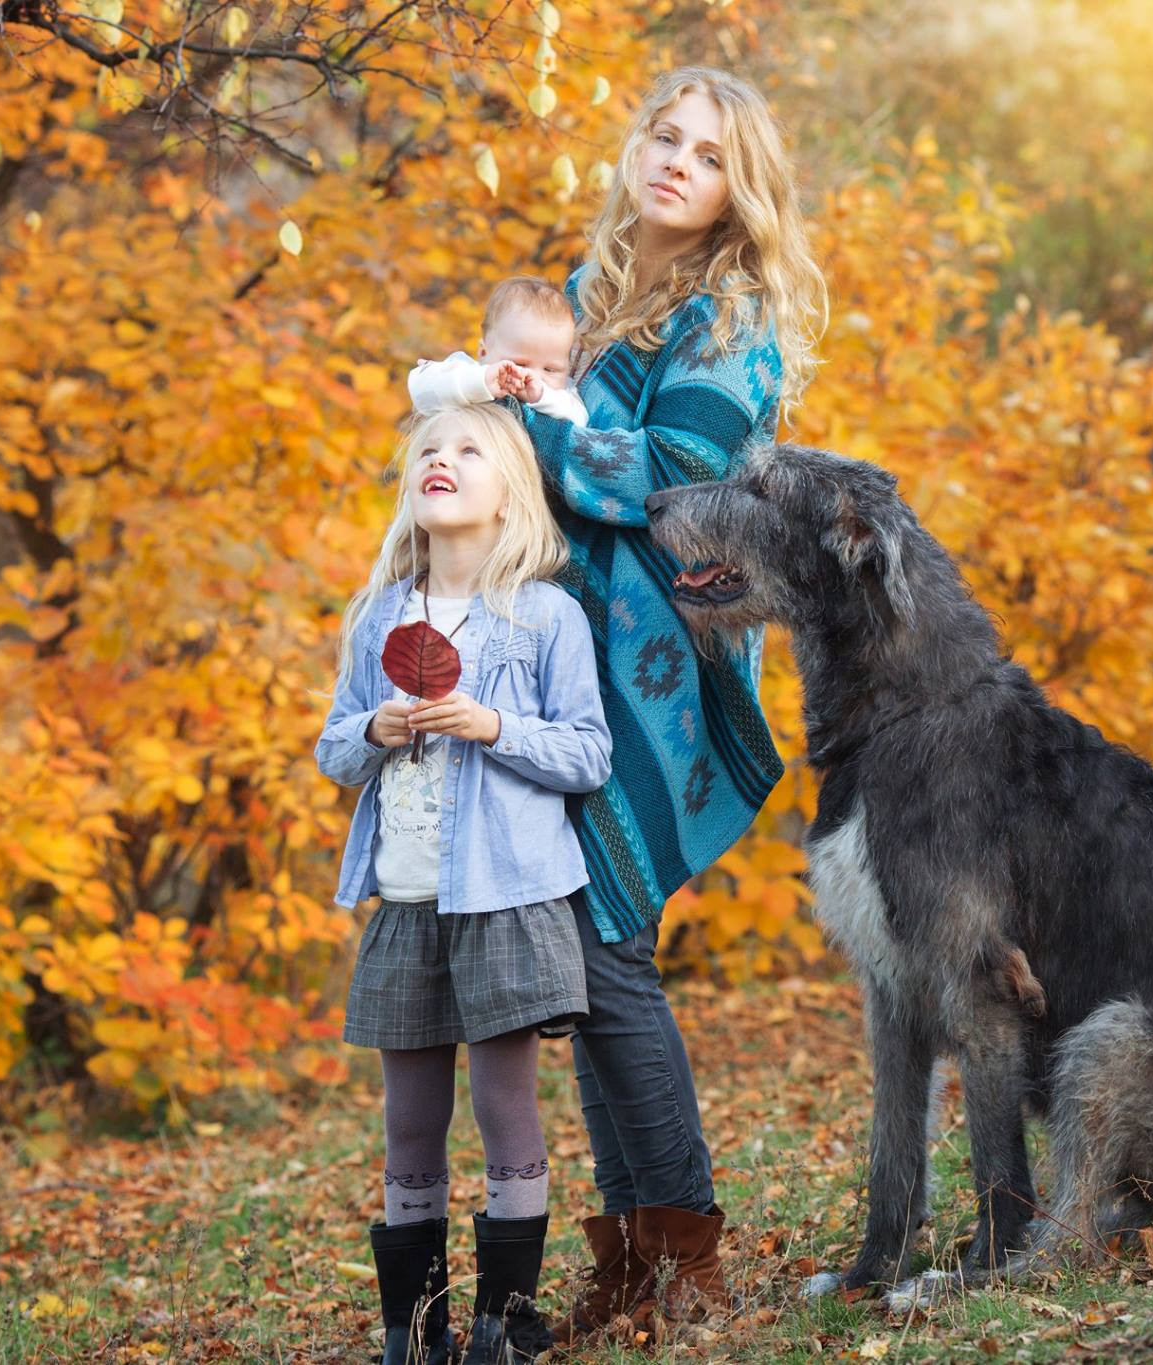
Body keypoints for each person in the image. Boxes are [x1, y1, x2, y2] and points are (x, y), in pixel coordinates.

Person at [492, 65, 827, 1340]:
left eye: (709, 150)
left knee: (602, 950)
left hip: (658, 666)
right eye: (663, 135)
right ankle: (635, 1257)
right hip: (549, 654)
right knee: (570, 961)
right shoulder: (578, 299)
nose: (677, 160)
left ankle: (687, 1259)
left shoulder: (730, 317)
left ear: (742, 189)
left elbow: (679, 483)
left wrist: (530, 427)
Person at [316, 402, 611, 1365]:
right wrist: (376, 730)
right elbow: (332, 747)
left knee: (503, 1105)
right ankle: (415, 1329)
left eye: (468, 449)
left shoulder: (545, 615)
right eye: (428, 451)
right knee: (409, 1118)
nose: (442, 461)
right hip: (405, 902)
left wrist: (492, 726)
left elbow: (588, 753)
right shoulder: (380, 617)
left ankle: (503, 1323)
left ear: (510, 492)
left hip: (508, 897)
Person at [409, 275, 590, 428]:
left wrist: (542, 396)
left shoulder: (562, 396)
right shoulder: (466, 371)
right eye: (520, 364)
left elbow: (580, 421)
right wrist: (480, 382)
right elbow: (420, 388)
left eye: (550, 370)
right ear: (483, 353)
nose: (533, 376)